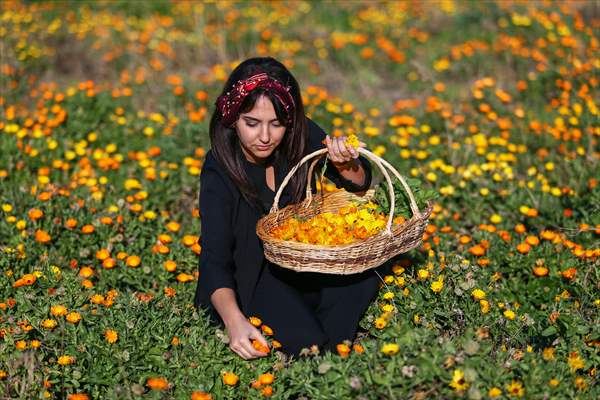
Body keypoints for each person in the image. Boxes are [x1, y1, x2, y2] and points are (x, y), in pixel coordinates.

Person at [193, 56, 383, 360]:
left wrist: (346, 165)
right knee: (308, 343)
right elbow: (214, 259)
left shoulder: (301, 135)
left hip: (301, 265)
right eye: (252, 123)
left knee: (361, 278)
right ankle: (316, 346)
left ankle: (331, 350)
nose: (265, 137)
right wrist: (234, 322)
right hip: (251, 280)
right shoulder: (220, 168)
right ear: (232, 117)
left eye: (277, 124)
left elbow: (359, 185)